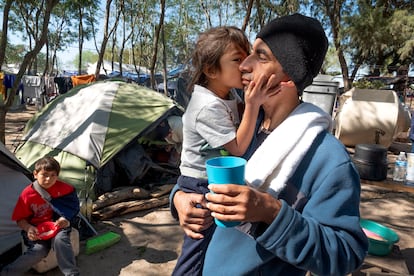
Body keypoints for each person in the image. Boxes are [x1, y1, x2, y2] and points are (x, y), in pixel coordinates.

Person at [170, 13, 368, 275]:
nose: (244, 65)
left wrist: (271, 213)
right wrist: (179, 199)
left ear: (289, 76)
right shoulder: (240, 124)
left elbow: (345, 254)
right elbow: (198, 172)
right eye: (248, 53)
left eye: (261, 57)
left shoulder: (329, 160)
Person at [173, 26, 276, 276]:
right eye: (237, 60)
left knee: (210, 248)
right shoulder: (207, 106)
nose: (244, 66)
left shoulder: (225, 94)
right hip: (198, 185)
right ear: (211, 70)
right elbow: (238, 148)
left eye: (248, 57)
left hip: (211, 179)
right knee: (196, 252)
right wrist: (253, 103)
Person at [1, 156, 80, 276]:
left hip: (57, 225)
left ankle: (72, 274)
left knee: (60, 241)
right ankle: (6, 273)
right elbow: (20, 219)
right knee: (38, 251)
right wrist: (28, 228)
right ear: (35, 174)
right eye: (45, 174)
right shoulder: (27, 194)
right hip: (37, 229)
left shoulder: (65, 189)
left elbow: (72, 207)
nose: (49, 179)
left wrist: (64, 218)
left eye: (53, 175)